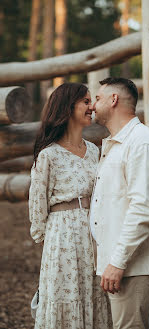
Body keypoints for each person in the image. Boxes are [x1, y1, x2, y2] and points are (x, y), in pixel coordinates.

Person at [90, 77, 149, 329]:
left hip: (133, 263)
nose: (92, 105)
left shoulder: (142, 144)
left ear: (114, 100)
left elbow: (143, 210)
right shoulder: (118, 143)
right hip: (120, 261)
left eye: (98, 98)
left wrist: (117, 262)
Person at [29, 83, 112, 329]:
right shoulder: (48, 155)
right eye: (85, 102)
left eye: (91, 101)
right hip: (62, 238)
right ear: (68, 107)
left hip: (95, 236)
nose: (91, 107)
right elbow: (37, 205)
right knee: (66, 297)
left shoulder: (95, 151)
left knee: (94, 295)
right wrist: (50, 241)